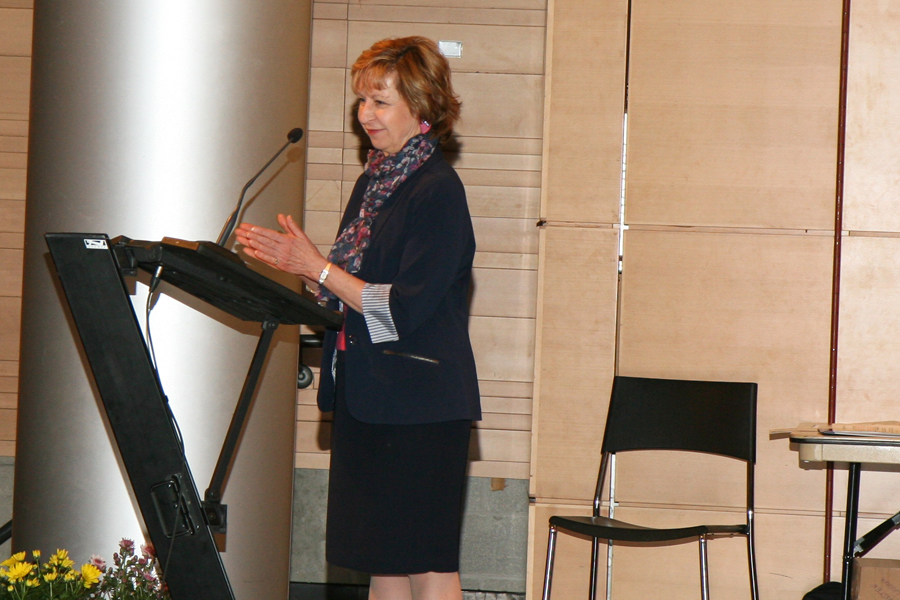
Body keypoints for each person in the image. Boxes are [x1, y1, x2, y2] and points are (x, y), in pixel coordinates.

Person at [235, 36, 481, 600]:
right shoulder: (375, 184)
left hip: (420, 405)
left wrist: (318, 268)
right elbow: (349, 289)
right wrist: (304, 272)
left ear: (421, 109)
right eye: (362, 100)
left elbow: (402, 308)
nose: (366, 114)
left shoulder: (438, 191)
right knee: (383, 564)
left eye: (381, 101)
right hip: (367, 396)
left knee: (427, 564)